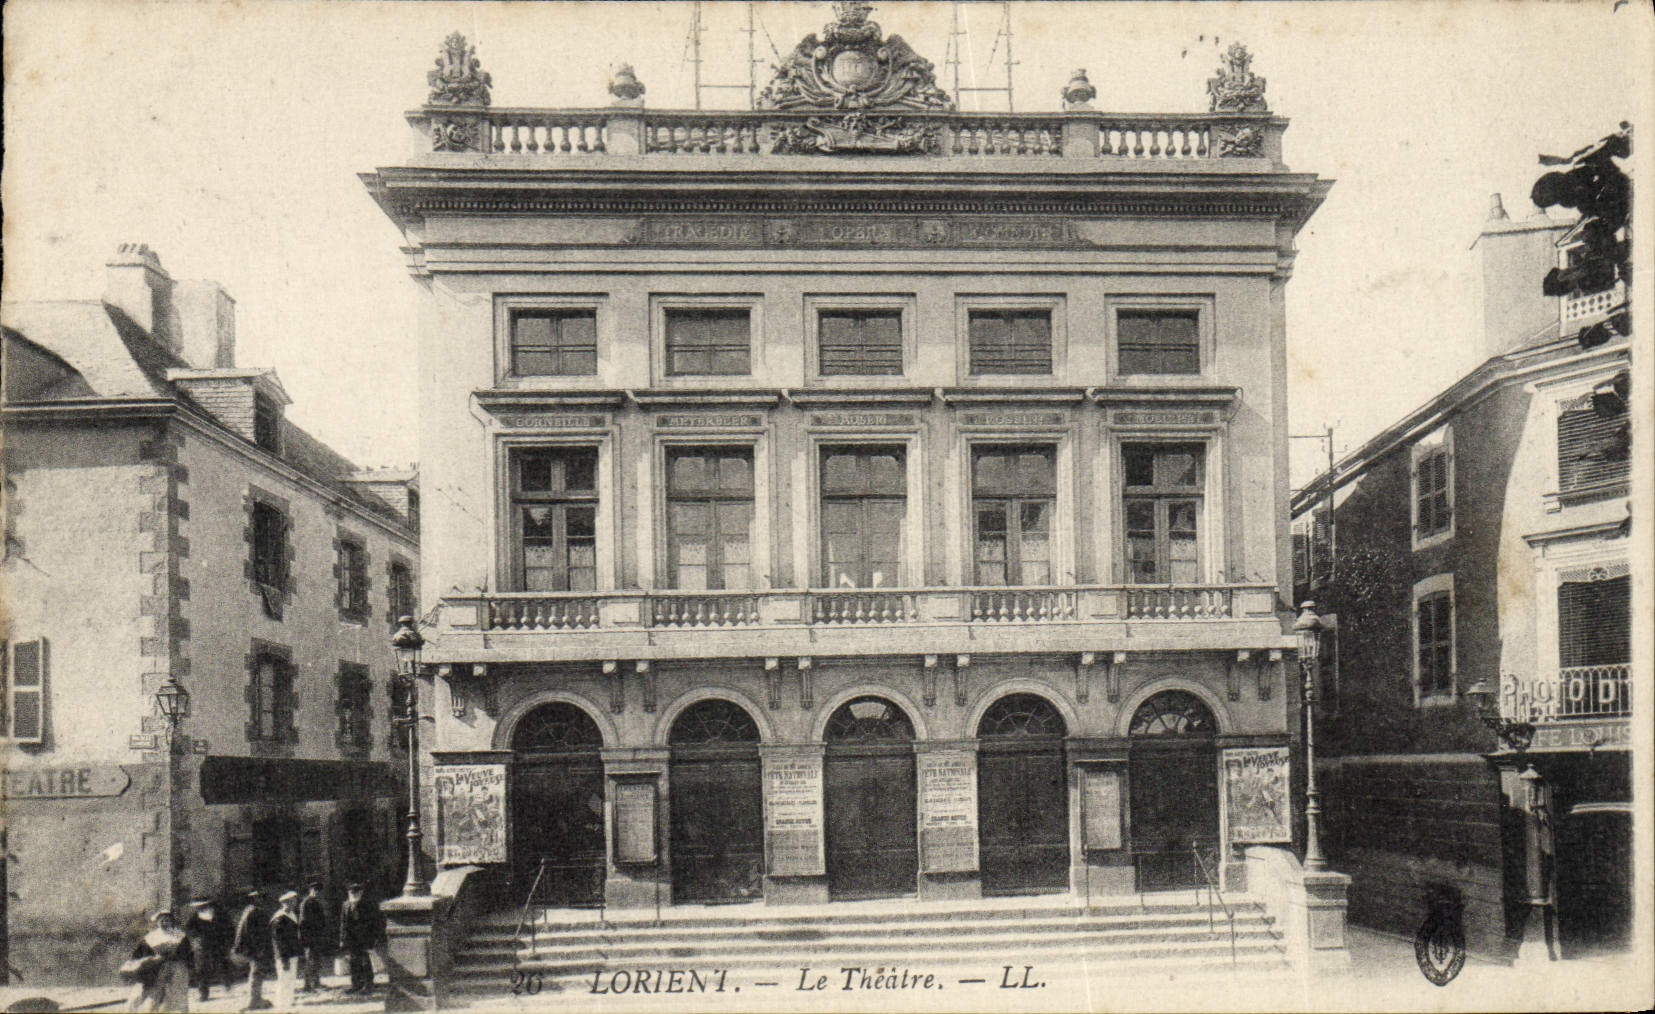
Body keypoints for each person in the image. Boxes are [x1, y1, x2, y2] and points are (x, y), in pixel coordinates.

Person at [123, 909, 194, 1012]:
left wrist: (177, 955)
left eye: (167, 920)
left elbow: (188, 953)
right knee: (150, 996)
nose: (165, 923)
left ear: (171, 921)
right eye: (162, 921)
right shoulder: (151, 937)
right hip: (156, 969)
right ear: (157, 922)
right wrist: (151, 958)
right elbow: (139, 954)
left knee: (177, 996)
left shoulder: (180, 935)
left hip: (176, 969)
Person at [230, 890, 273, 1011]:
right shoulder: (253, 912)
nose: (261, 900)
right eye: (259, 898)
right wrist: (258, 949)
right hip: (256, 949)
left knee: (257, 973)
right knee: (256, 973)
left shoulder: (250, 911)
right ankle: (253, 1000)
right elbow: (250, 933)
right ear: (254, 899)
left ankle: (256, 998)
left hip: (255, 948)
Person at [337, 882, 382, 995]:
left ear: (361, 893)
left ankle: (368, 984)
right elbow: (343, 923)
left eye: (356, 892)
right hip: (351, 939)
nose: (354, 894)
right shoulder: (346, 905)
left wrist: (374, 937)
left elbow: (374, 922)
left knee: (365, 962)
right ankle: (356, 984)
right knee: (353, 962)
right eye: (351, 892)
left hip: (365, 938)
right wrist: (342, 939)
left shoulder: (367, 905)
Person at [182, 898, 228, 1002]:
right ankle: (203, 994)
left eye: (203, 906)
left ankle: (227, 983)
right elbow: (189, 930)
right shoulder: (194, 918)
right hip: (201, 946)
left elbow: (226, 928)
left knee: (222, 964)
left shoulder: (218, 915)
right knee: (201, 970)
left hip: (217, 945)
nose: (201, 908)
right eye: (199, 907)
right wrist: (197, 940)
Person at [270, 890, 303, 1012]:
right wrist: (284, 960)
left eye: (295, 901)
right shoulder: (279, 919)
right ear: (285, 903)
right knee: (284, 982)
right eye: (291, 902)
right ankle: (281, 1009)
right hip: (285, 957)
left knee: (290, 982)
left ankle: (287, 1007)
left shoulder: (292, 915)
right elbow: (279, 942)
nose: (294, 904)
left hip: (292, 954)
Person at [297, 879, 329, 992]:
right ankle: (308, 985)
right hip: (310, 937)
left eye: (319, 890)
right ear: (311, 890)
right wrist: (304, 938)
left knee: (316, 960)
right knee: (310, 960)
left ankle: (315, 982)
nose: (317, 892)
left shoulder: (316, 902)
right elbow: (303, 922)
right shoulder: (306, 903)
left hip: (317, 936)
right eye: (315, 890)